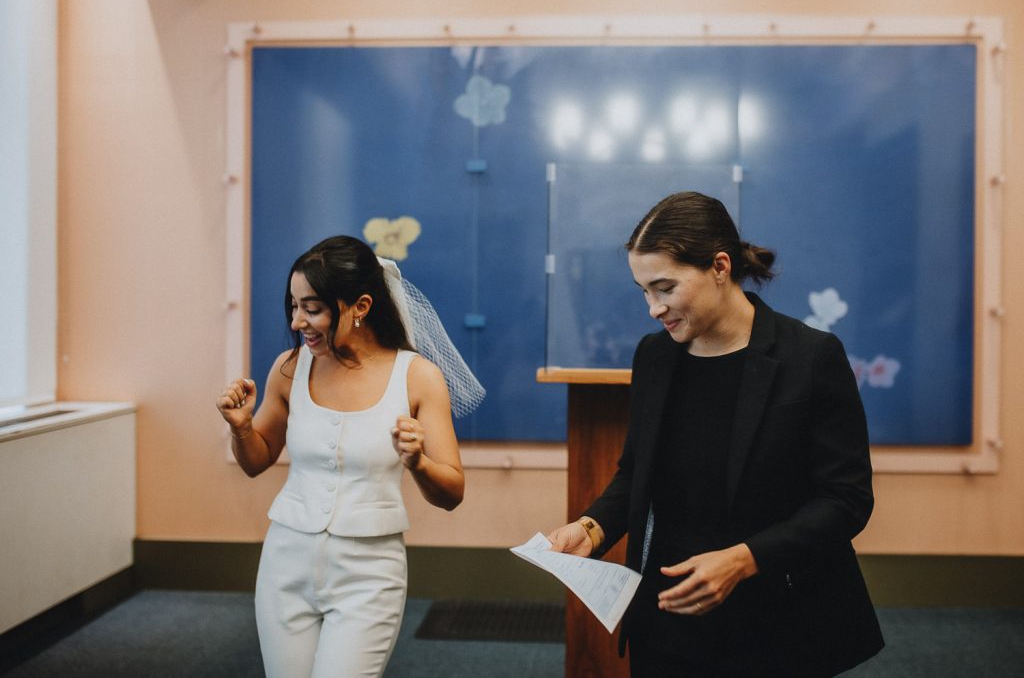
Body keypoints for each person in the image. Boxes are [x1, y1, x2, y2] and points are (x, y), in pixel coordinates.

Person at [547, 192, 884, 677]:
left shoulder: (810, 358)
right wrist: (590, 528)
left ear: (720, 266)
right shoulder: (655, 356)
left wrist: (744, 560)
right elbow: (635, 473)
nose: (653, 308)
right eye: (643, 290)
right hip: (668, 613)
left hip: (776, 617)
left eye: (664, 287)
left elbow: (846, 499)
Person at [216, 235, 476, 677]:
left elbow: (452, 492)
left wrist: (418, 463)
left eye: (312, 308)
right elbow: (256, 461)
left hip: (369, 575)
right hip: (285, 564)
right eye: (294, 306)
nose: (298, 321)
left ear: (360, 306)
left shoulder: (418, 377)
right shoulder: (290, 368)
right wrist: (241, 428)